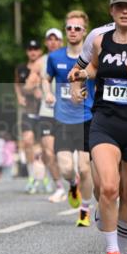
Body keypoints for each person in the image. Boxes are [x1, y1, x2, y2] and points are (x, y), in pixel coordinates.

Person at [68, 0, 127, 254]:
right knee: (106, 188)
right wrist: (78, 81)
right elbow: (84, 66)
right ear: (111, 9)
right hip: (104, 120)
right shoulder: (99, 37)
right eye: (119, 5)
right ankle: (112, 251)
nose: (125, 10)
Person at [44, 11, 95, 226]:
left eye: (77, 28)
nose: (73, 31)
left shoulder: (92, 57)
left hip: (86, 117)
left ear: (85, 32)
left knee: (85, 168)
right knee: (66, 168)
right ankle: (72, 184)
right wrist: (48, 92)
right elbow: (46, 79)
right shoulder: (55, 57)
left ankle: (84, 210)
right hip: (62, 119)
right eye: (69, 28)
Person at [26, 27, 66, 200]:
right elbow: (28, 85)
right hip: (47, 110)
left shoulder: (70, 57)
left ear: (61, 42)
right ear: (46, 42)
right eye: (50, 39)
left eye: (56, 39)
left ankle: (74, 180)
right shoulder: (40, 62)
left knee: (65, 154)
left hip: (67, 112)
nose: (53, 42)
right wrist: (34, 87)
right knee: (48, 151)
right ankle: (59, 187)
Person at [14, 39, 43, 192]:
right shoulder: (21, 68)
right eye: (30, 49)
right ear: (27, 52)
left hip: (44, 111)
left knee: (43, 146)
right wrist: (19, 96)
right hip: (28, 110)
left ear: (40, 51)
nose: (33, 52)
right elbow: (17, 84)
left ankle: (44, 176)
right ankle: (32, 176)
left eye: (36, 49)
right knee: (27, 141)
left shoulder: (45, 67)